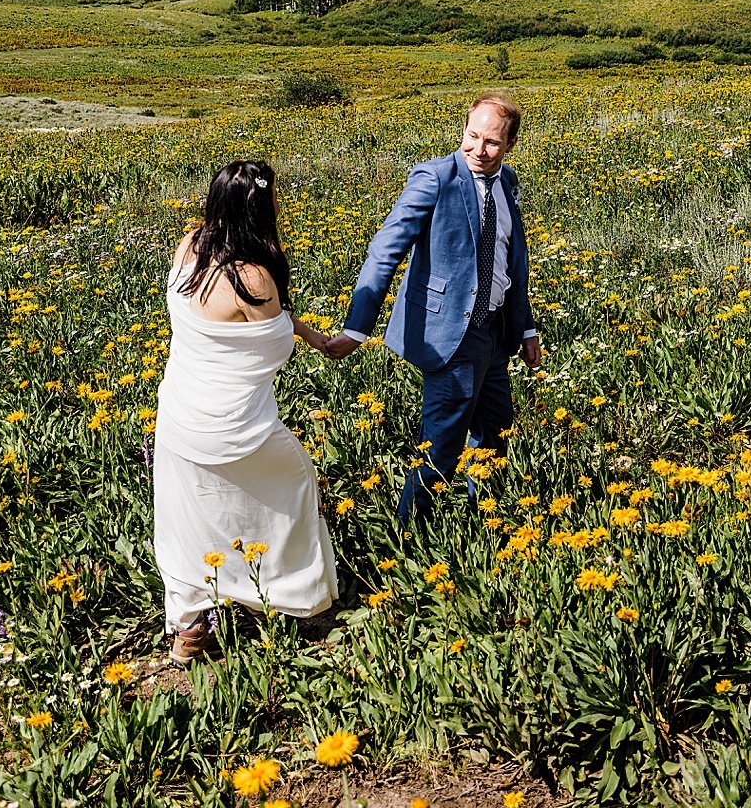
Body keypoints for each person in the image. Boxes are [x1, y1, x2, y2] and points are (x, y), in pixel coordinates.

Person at [152, 160, 340, 666]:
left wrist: (307, 332)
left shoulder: (190, 246)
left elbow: (259, 325)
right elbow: (274, 344)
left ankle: (190, 627)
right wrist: (309, 339)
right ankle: (298, 599)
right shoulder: (253, 275)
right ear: (262, 208)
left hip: (178, 416)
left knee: (189, 515)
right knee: (295, 484)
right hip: (232, 425)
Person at [327, 92, 542, 522]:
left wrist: (525, 329)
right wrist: (356, 327)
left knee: (495, 437)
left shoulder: (508, 182)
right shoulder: (435, 178)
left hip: (496, 333)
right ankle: (409, 537)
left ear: (510, 145)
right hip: (449, 334)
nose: (478, 150)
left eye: (492, 142)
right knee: (441, 448)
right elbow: (385, 251)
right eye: (472, 135)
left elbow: (511, 260)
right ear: (463, 128)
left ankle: (484, 524)